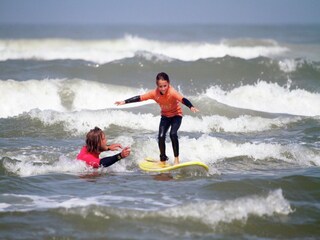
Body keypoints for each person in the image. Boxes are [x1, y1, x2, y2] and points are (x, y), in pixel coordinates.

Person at [115, 72, 198, 165]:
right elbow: (140, 98)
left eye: (165, 86)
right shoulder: (154, 93)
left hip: (176, 115)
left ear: (168, 83)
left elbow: (183, 99)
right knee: (161, 137)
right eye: (160, 86)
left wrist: (191, 106)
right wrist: (124, 102)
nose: (163, 88)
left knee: (173, 134)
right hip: (165, 116)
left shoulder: (172, 92)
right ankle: (163, 159)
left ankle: (176, 159)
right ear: (157, 85)